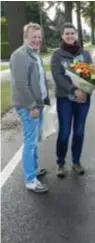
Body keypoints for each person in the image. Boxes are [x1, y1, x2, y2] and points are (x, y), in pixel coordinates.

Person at [10, 23, 50, 193]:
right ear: (25, 37)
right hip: (29, 106)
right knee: (30, 142)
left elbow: (39, 79)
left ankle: (33, 170)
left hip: (37, 104)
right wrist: (32, 106)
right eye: (33, 37)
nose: (37, 40)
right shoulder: (20, 55)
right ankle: (30, 179)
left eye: (39, 37)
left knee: (34, 142)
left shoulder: (35, 54)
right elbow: (21, 84)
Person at [51, 23, 93, 177]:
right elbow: (58, 77)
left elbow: (92, 76)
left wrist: (85, 92)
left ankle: (76, 162)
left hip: (83, 99)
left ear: (75, 34)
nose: (69, 36)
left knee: (79, 132)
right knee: (64, 132)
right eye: (66, 33)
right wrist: (74, 90)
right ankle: (60, 163)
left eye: (72, 33)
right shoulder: (57, 55)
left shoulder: (85, 54)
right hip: (65, 99)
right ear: (62, 36)